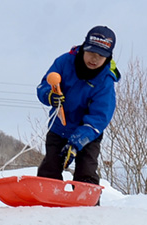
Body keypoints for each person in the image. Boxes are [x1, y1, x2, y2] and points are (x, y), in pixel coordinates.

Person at [36, 26, 119, 187]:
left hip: (88, 133)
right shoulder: (64, 62)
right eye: (91, 53)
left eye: (100, 56)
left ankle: (88, 206)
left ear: (108, 58)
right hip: (59, 127)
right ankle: (45, 202)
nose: (94, 59)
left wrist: (76, 142)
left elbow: (99, 117)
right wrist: (50, 96)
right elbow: (43, 87)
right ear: (84, 48)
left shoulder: (106, 81)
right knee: (49, 168)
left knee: (86, 172)